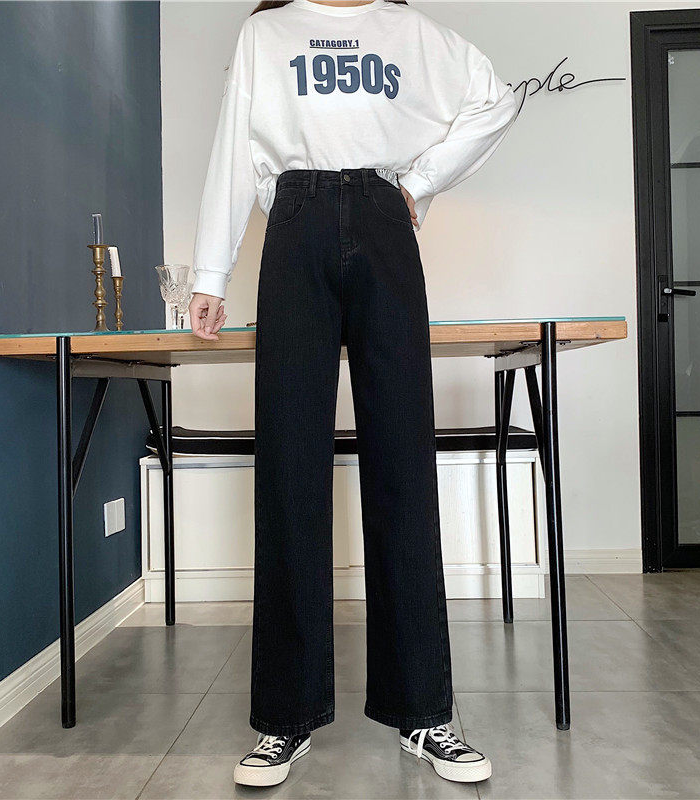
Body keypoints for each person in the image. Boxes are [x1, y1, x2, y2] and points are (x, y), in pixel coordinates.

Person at [189, 0, 517, 787]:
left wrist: (421, 181)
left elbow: (497, 99)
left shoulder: (411, 31)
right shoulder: (267, 32)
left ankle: (423, 711)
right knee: (290, 469)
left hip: (382, 217)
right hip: (295, 224)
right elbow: (233, 149)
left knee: (403, 465)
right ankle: (286, 717)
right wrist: (210, 273)